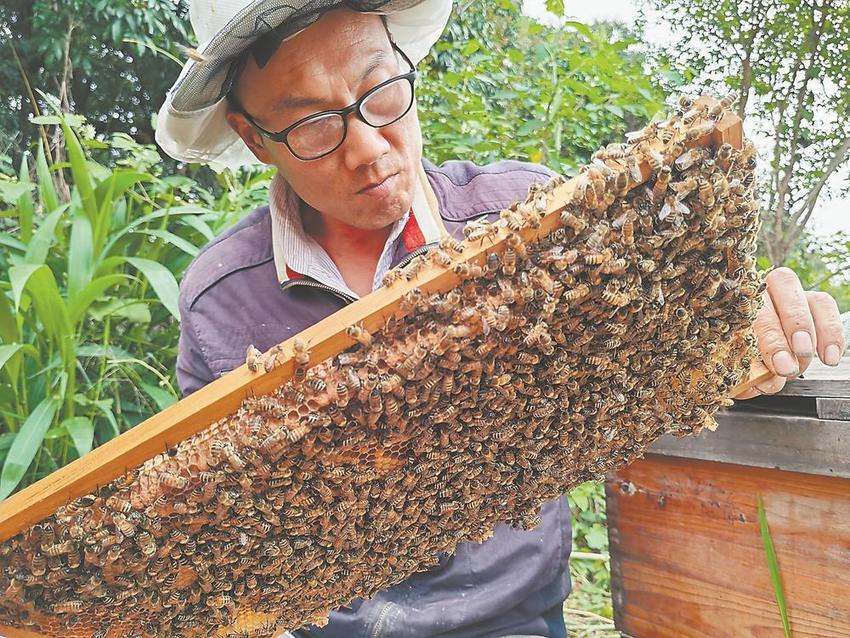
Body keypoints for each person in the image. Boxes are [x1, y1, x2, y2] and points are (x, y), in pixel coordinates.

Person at [156, 1, 847, 636]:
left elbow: (675, 339)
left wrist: (736, 317)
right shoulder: (220, 298)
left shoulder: (527, 219)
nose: (367, 146)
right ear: (254, 137)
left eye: (380, 90)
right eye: (311, 123)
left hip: (517, 620)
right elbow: (223, 529)